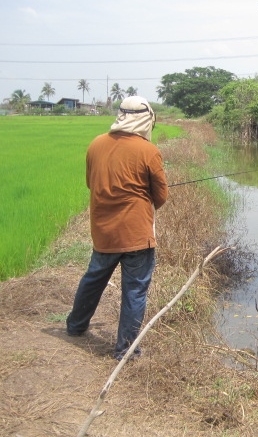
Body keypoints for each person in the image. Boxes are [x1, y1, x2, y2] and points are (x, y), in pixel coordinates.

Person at [66, 96, 168, 360]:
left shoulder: (96, 144)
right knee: (134, 290)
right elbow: (161, 197)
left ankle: (75, 326)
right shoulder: (149, 151)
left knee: (93, 278)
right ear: (146, 119)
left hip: (103, 230)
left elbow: (92, 183)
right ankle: (126, 350)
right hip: (136, 235)